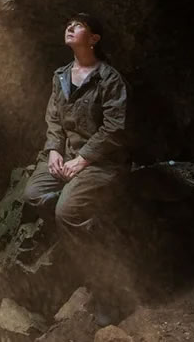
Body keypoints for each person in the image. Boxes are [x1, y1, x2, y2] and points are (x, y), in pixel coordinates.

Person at [21, 13, 128, 231]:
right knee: (33, 194)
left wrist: (82, 160)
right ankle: (78, 213)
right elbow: (54, 119)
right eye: (68, 25)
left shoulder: (109, 79)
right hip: (67, 155)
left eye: (78, 25)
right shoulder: (61, 76)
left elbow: (114, 128)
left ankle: (92, 236)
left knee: (67, 211)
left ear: (94, 39)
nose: (69, 28)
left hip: (101, 161)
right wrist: (54, 150)